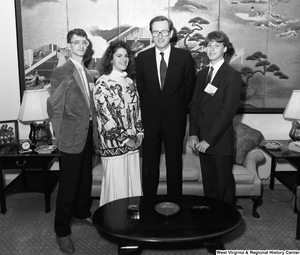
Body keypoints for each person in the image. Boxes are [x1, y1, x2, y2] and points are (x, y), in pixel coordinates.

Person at [47, 28, 98, 254]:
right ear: (69, 46)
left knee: (85, 178)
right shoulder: (62, 71)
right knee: (68, 185)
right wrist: (60, 135)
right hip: (70, 136)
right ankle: (62, 231)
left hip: (87, 134)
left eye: (83, 42)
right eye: (76, 42)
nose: (80, 45)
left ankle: (82, 213)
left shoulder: (87, 73)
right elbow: (54, 107)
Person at [135, 15, 196, 196]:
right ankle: (148, 206)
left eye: (164, 31)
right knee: (149, 168)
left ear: (171, 33)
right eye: (156, 32)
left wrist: (175, 109)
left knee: (174, 167)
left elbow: (189, 90)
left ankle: (175, 205)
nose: (160, 36)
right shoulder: (142, 58)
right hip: (150, 122)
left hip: (174, 121)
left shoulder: (184, 57)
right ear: (151, 34)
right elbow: (142, 90)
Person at [188, 30, 241, 205]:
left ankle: (226, 224)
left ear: (225, 48)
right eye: (208, 45)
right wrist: (194, 133)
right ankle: (211, 219)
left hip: (219, 141)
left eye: (216, 45)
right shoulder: (202, 74)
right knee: (209, 183)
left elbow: (227, 112)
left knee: (223, 185)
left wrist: (208, 140)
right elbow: (195, 105)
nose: (211, 49)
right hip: (202, 140)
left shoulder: (232, 75)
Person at [93, 40, 143, 206]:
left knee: (133, 186)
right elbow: (105, 117)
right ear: (110, 59)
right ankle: (115, 225)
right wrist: (124, 139)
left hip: (133, 143)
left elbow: (137, 111)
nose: (124, 59)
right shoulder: (102, 83)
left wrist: (140, 133)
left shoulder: (129, 82)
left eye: (126, 56)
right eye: (119, 56)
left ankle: (133, 224)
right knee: (117, 188)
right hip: (113, 145)